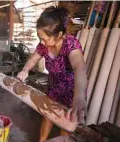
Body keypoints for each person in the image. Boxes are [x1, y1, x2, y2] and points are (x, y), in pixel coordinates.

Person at [17, 6, 87, 142]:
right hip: (54, 86)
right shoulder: (44, 45)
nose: (42, 43)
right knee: (47, 115)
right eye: (39, 38)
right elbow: (33, 59)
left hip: (71, 90)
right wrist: (25, 70)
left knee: (65, 123)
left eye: (45, 39)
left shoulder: (71, 45)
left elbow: (80, 67)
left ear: (59, 35)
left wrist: (79, 96)